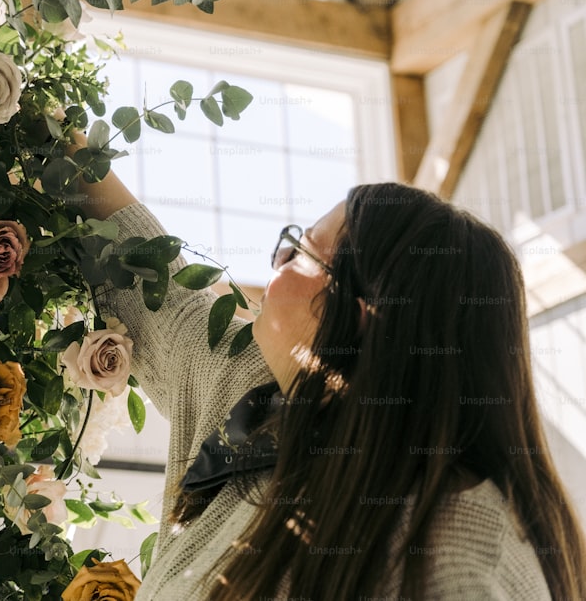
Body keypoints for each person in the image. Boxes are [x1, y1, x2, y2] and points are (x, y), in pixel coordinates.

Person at [76, 171, 586, 600]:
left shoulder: (462, 568)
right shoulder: (258, 393)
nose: (276, 262)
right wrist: (36, 112)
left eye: (301, 252)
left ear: (362, 313)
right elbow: (142, 273)